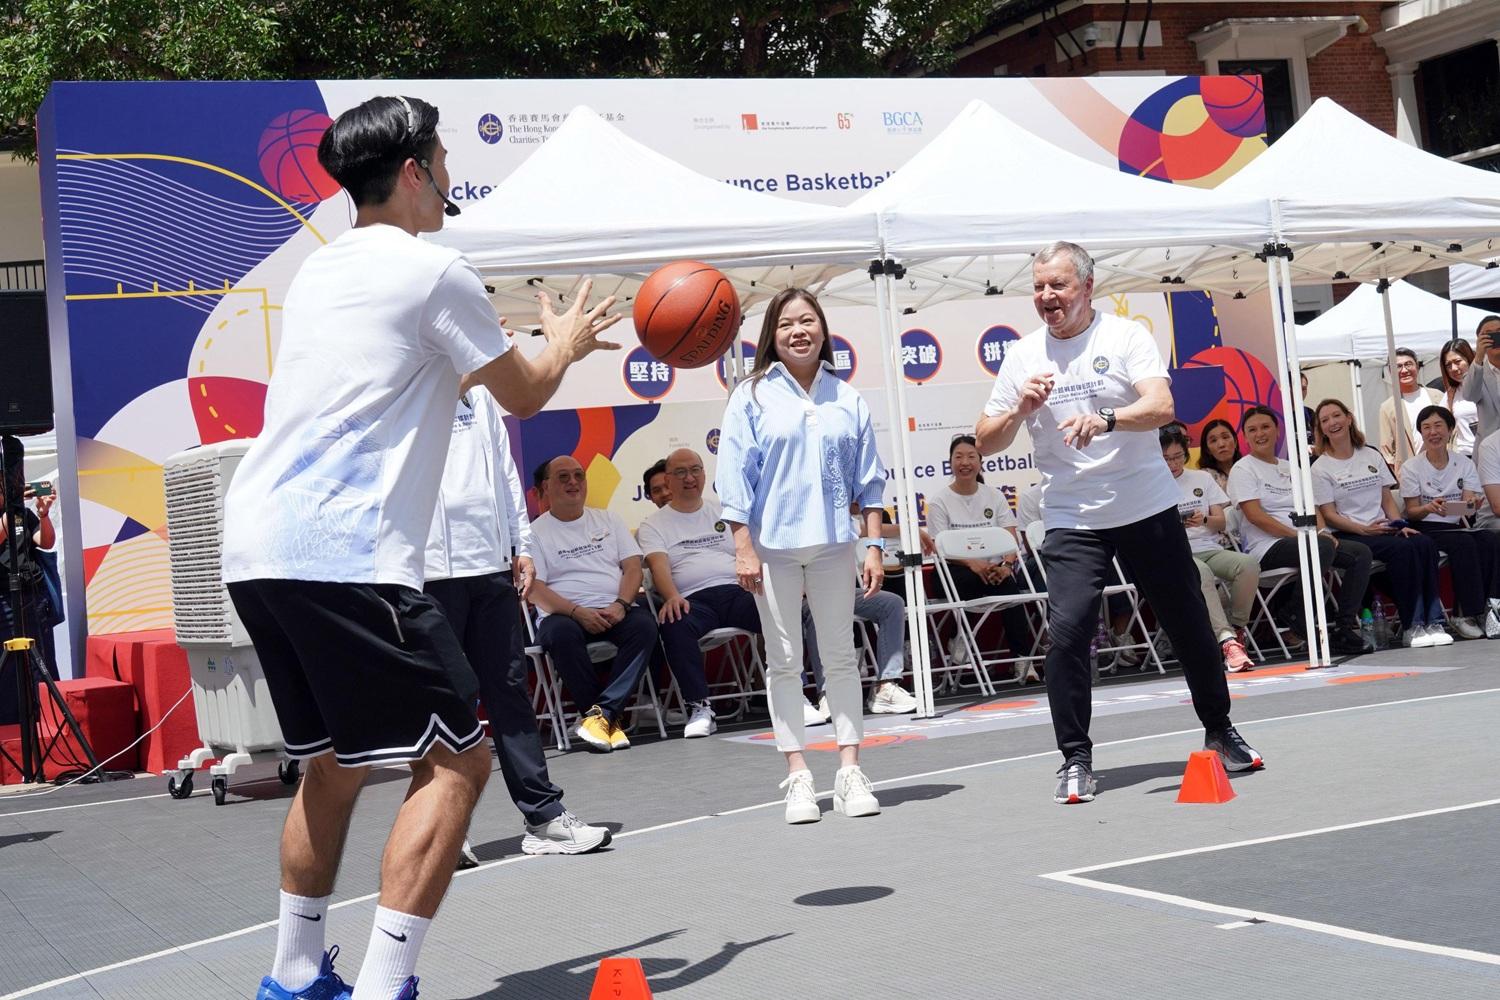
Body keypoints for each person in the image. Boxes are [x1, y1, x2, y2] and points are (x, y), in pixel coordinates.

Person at [221, 96, 620, 1000]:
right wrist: (559, 342)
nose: (452, 172)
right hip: (343, 553)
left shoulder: (321, 273)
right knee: (460, 759)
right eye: (443, 156)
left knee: (334, 762)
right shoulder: (435, 270)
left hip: (257, 550)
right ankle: (382, 987)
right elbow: (522, 395)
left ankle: (292, 978)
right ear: (414, 173)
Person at [975, 241, 1261, 806]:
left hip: (1145, 506)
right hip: (1071, 516)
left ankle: (1219, 728)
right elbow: (985, 440)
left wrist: (1107, 419)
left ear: (1086, 286)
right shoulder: (1023, 356)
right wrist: (1018, 412)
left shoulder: (1124, 336)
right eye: (1038, 287)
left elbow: (1161, 407)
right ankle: (1075, 759)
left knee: (1188, 622)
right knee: (1070, 632)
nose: (1047, 297)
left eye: (1057, 286)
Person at [716, 286, 886, 824]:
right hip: (772, 550)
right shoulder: (752, 395)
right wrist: (743, 547)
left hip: (836, 543)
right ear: (772, 335)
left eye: (808, 320)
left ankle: (850, 768)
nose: (799, 331)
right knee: (785, 662)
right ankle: (796, 775)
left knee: (839, 656)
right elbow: (734, 479)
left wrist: (875, 543)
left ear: (823, 328)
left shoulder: (848, 396)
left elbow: (870, 483)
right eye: (787, 323)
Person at [423, 388, 611, 855]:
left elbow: (507, 475)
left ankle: (544, 818)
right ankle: (447, 830)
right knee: (449, 697)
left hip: (491, 566)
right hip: (427, 570)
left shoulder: (483, 397)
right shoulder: (409, 382)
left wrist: (522, 545)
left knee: (509, 690)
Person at [527, 456, 657, 750]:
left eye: (578, 475)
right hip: (562, 614)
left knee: (645, 626)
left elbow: (633, 567)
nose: (573, 482)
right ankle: (602, 717)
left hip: (614, 608)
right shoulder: (533, 533)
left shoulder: (608, 519)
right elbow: (534, 589)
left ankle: (601, 717)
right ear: (545, 487)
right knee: (561, 634)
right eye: (563, 477)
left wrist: (622, 604)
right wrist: (576, 612)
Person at [637, 448, 761, 738]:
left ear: (705, 474)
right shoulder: (653, 524)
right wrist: (671, 596)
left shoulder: (725, 511)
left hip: (736, 591)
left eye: (695, 470)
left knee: (779, 608)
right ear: (668, 480)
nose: (689, 478)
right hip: (692, 599)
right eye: (680, 472)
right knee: (673, 621)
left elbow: (749, 551)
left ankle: (795, 695)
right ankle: (700, 707)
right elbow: (658, 567)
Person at [1227, 407, 1369, 656]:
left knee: (1360, 552)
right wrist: (1302, 536)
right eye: (1252, 430)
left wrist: (1322, 531)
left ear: (1277, 431)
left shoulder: (1290, 466)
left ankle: (1344, 627)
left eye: (1265, 427)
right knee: (1320, 546)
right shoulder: (1243, 469)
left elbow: (1311, 508)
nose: (1260, 433)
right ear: (1245, 437)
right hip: (1267, 547)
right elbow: (1255, 516)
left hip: (1304, 541)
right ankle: (1298, 616)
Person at [1312, 399, 1452, 648]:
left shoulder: (1370, 454)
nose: (1332, 423)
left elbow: (1386, 497)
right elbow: (1329, 514)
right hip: (1351, 534)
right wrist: (1363, 529)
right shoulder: (1320, 467)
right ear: (1321, 429)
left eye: (1336, 416)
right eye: (1325, 420)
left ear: (1349, 418)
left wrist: (1399, 524)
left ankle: (1434, 620)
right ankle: (1413, 625)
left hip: (1382, 529)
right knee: (1404, 551)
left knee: (1423, 543)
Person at [924, 434, 1038, 679]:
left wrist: (1007, 564)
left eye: (971, 456)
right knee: (972, 579)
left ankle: (1022, 660)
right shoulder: (940, 501)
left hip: (993, 568)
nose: (965, 462)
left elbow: (1010, 537)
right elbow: (938, 546)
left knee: (1010, 587)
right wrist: (972, 562)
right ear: (950, 462)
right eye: (959, 457)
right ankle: (961, 637)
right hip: (952, 570)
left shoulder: (994, 496)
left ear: (980, 462)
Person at [801, 503, 920, 716]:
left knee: (891, 603)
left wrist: (914, 530)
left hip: (842, 591)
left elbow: (866, 529)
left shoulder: (835, 513)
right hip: (802, 593)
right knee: (816, 609)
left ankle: (885, 685)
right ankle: (828, 693)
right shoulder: (801, 515)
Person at [1159, 429, 1257, 671]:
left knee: (1248, 565)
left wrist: (1202, 520)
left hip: (1209, 546)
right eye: (1166, 458)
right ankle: (1226, 641)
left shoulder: (1201, 479)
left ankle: (1236, 628)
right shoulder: (1152, 485)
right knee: (1200, 573)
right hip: (1176, 553)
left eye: (1178, 456)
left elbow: (1221, 523)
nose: (1173, 463)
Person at [1398, 404, 1497, 639]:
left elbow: (1469, 504)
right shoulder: (1411, 467)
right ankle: (1464, 613)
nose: (1433, 432)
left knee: (1492, 541)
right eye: (1426, 427)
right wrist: (1428, 507)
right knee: (1464, 544)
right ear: (1421, 433)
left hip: (1456, 525)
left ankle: (1492, 608)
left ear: (1450, 429)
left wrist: (1472, 504)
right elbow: (1411, 512)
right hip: (1426, 527)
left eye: (1438, 426)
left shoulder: (1464, 463)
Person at [0, 473, 59, 726]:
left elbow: (45, 542)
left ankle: (49, 723)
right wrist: (12, 504)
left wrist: (44, 515)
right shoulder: (10, 514)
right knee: (10, 672)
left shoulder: (20, 514)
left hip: (33, 598)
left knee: (42, 665)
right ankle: (12, 727)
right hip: (4, 602)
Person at [1378, 347, 1443, 469]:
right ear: (1391, 372)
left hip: (1444, 467)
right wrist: (1399, 475)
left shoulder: (1437, 396)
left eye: (1408, 364)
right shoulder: (1388, 407)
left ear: (1417, 367)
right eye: (1398, 366)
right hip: (1411, 473)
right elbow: (1386, 450)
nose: (1404, 370)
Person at [1460, 315, 1500, 449]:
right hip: (1489, 449)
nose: (1494, 338)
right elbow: (1469, 395)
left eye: (1498, 332)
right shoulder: (1477, 371)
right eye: (1488, 335)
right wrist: (1478, 357)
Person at [1439, 339, 1480, 457]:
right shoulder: (1451, 394)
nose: (1453, 368)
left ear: (1469, 358)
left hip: (1493, 456)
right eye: (1448, 365)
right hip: (1465, 456)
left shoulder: (1489, 384)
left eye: (1457, 361)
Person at [1196, 417, 1241, 492]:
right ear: (1207, 449)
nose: (1221, 444)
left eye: (1225, 437)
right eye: (1213, 440)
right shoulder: (1203, 477)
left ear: (1235, 442)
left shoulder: (1248, 468)